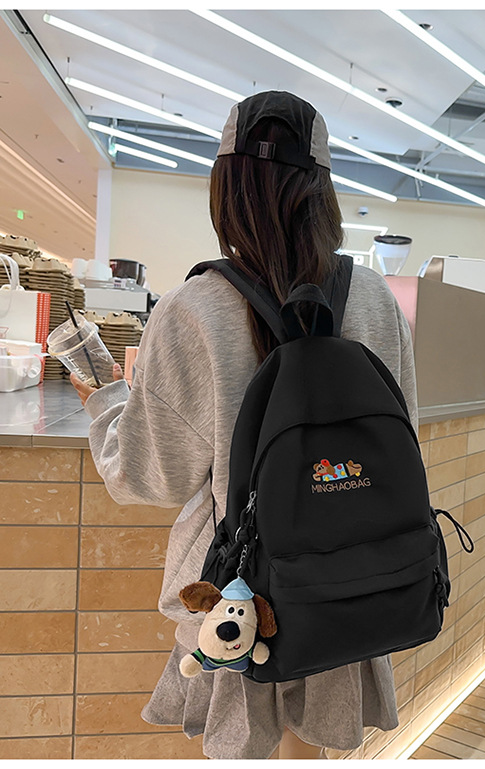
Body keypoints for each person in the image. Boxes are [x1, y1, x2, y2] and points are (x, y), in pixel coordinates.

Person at [70, 91, 419, 760]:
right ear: (323, 190)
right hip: (353, 578)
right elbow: (401, 439)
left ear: (225, 187)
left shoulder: (194, 308)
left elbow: (150, 477)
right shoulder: (376, 298)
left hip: (241, 595)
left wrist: (108, 399)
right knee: (311, 746)